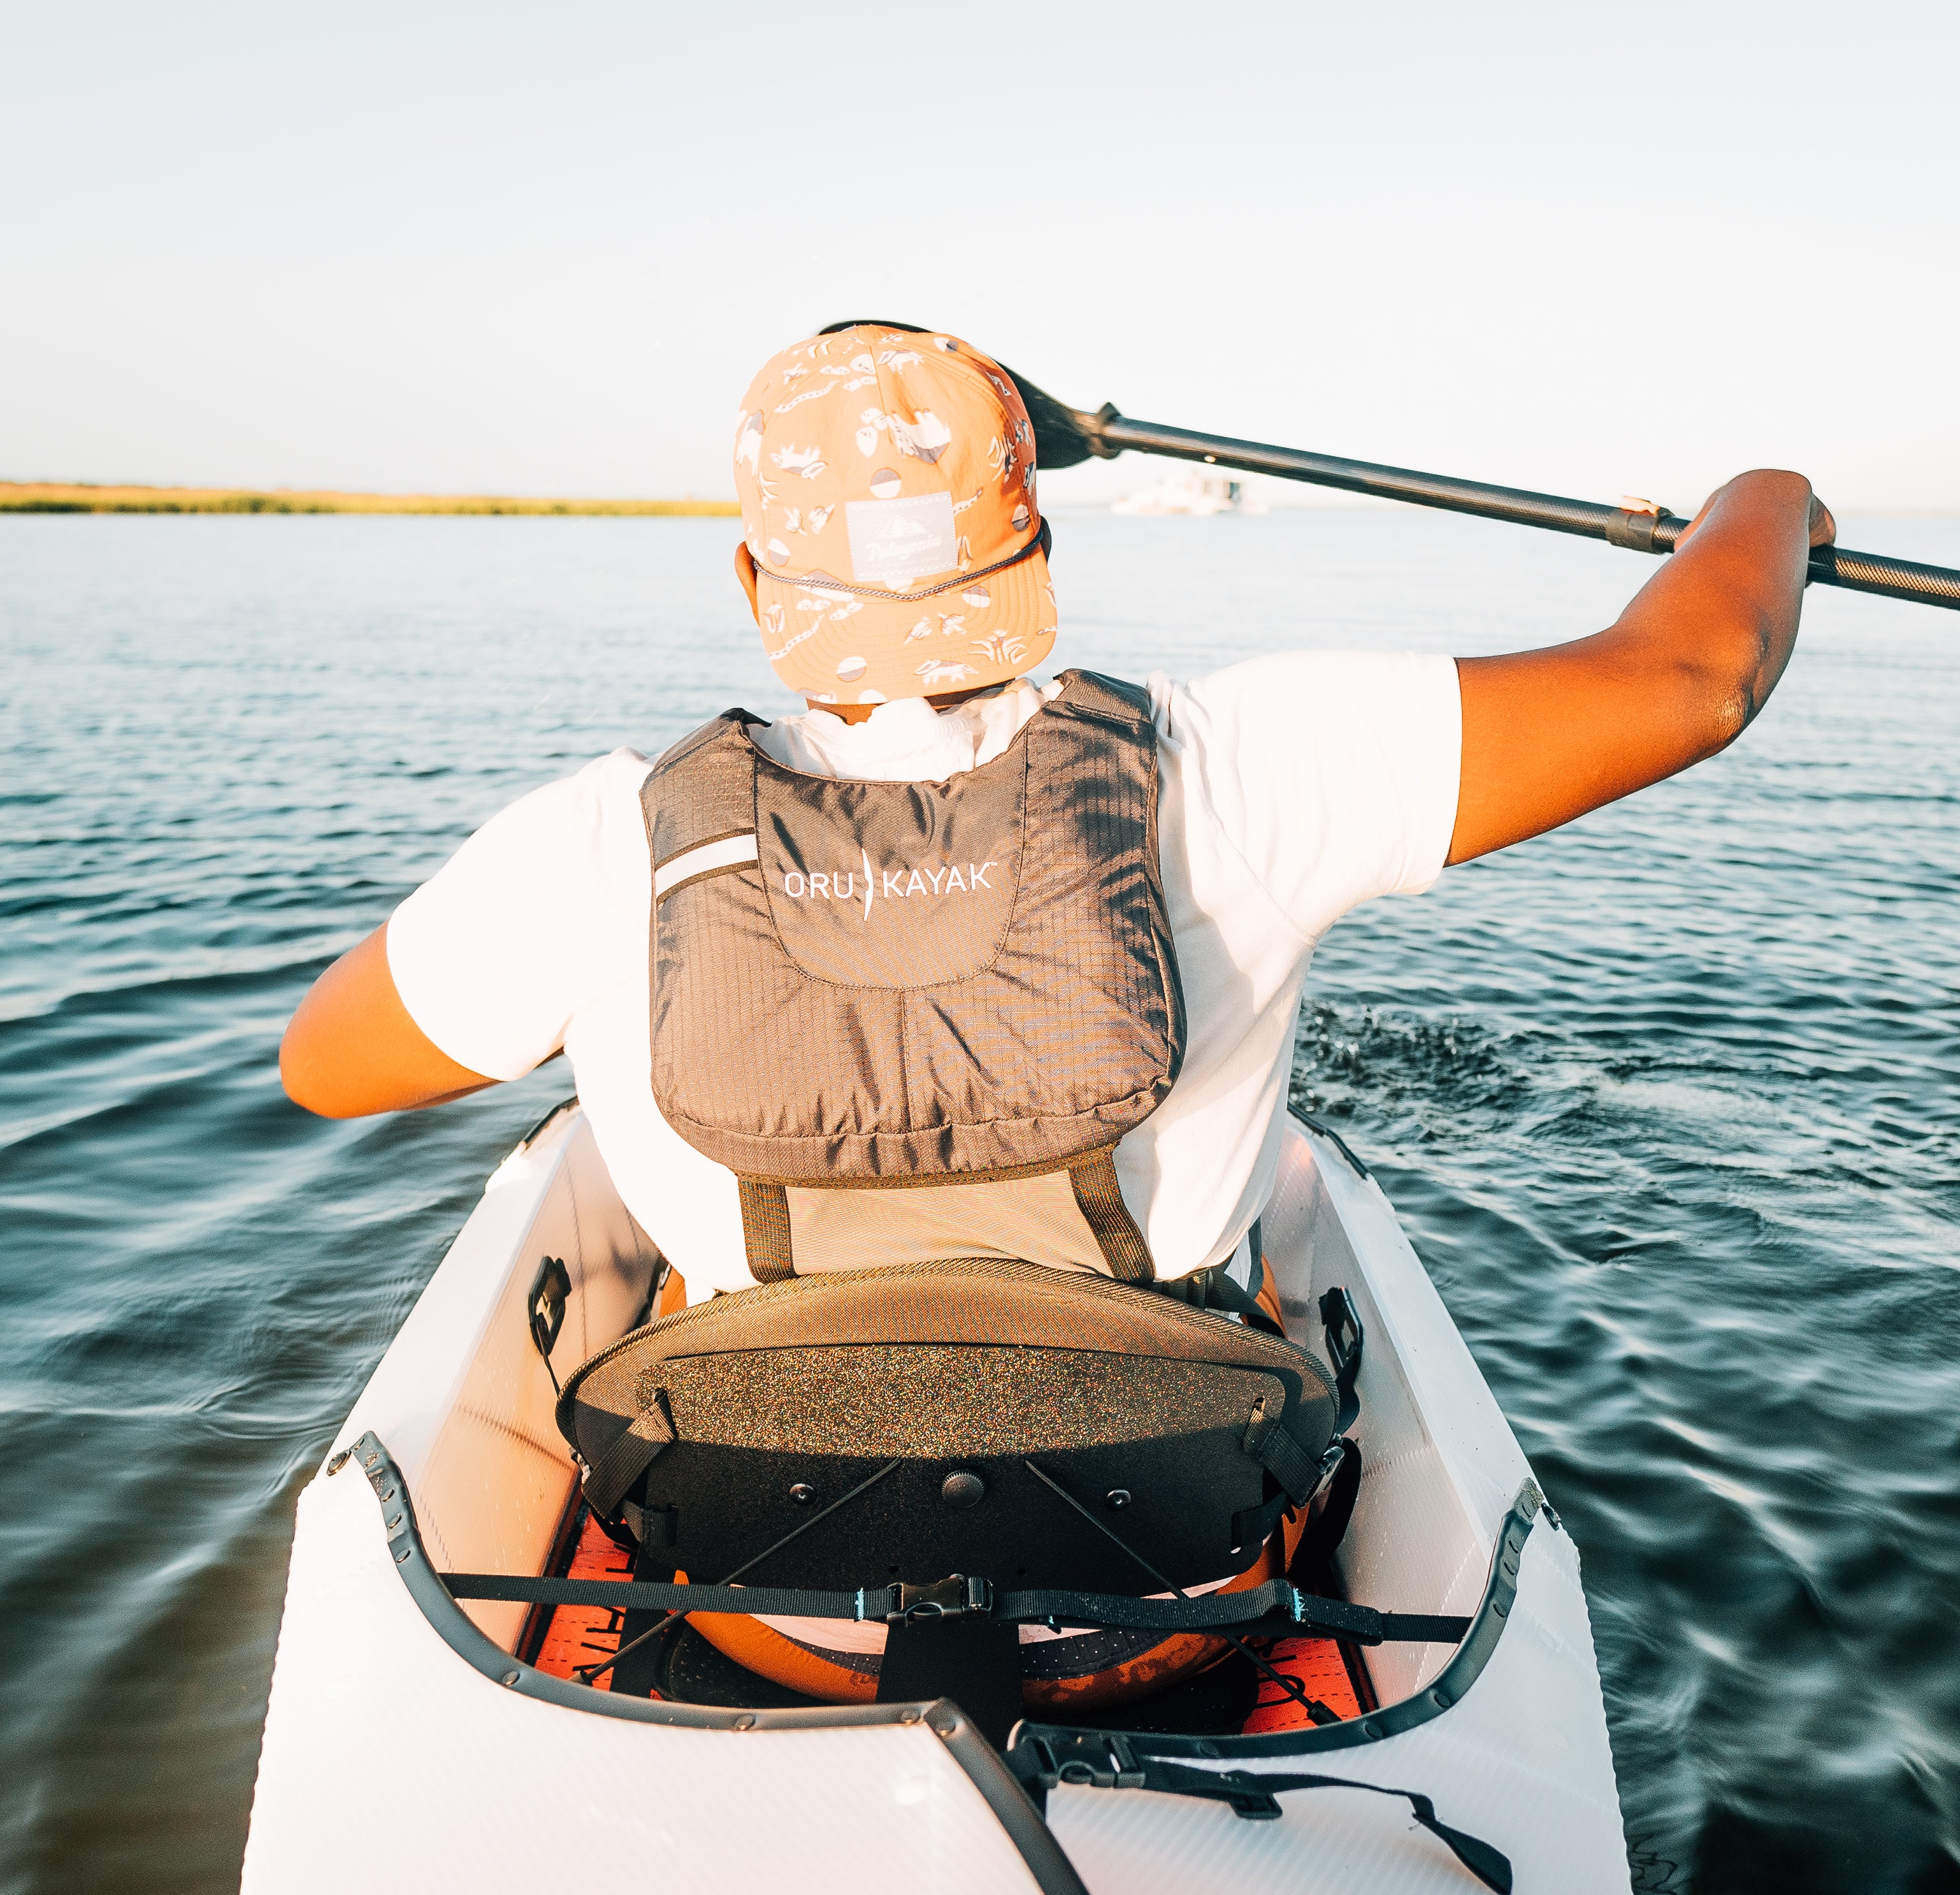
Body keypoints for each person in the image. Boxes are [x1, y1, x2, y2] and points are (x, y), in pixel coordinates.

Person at [278, 322, 1831, 1305]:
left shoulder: (598, 844)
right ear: (1034, 565)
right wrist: (1763, 494)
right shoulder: (1237, 765)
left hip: (769, 1599)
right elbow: (1694, 672)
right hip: (1165, 1588)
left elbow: (322, 1068)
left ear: (756, 584)